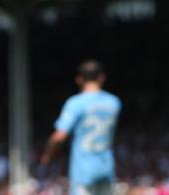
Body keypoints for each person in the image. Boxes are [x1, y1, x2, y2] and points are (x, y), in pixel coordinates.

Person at [41, 60, 122, 195]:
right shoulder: (114, 102)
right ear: (102, 78)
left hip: (84, 171)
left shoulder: (75, 103)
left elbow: (59, 136)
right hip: (106, 167)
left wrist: (47, 156)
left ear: (79, 79)